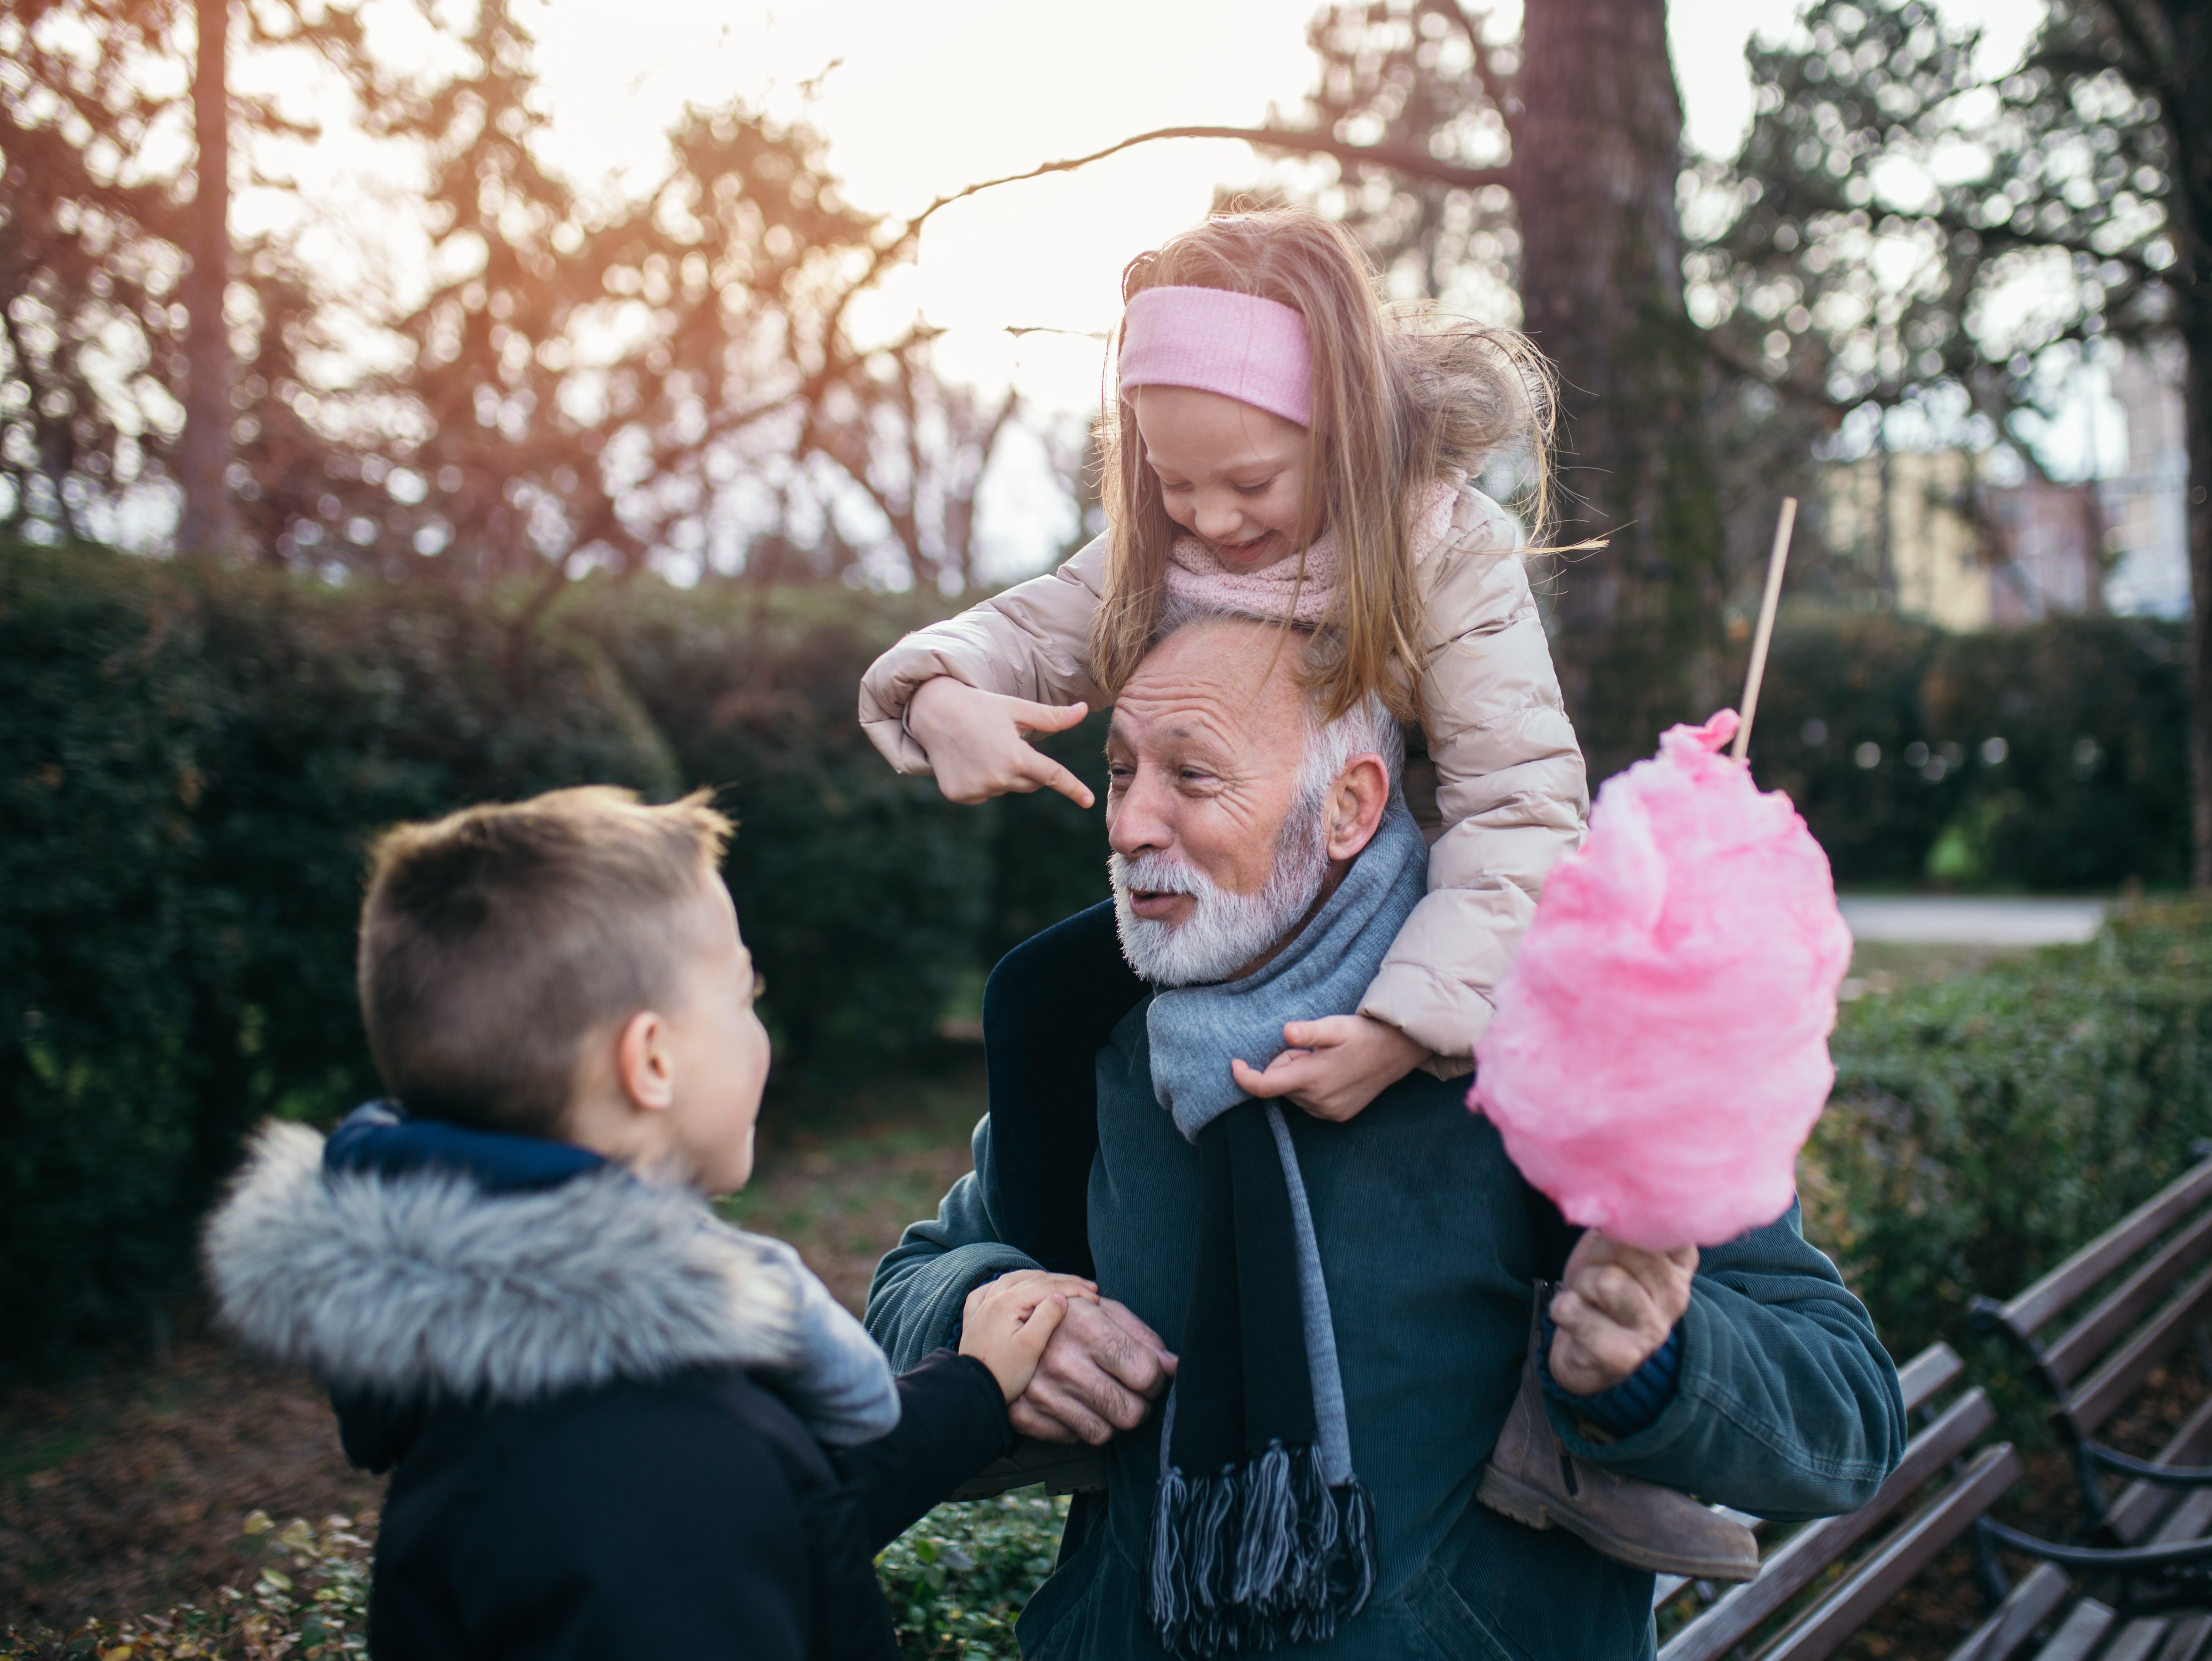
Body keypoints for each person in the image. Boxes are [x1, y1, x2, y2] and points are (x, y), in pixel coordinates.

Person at [866, 610, 1907, 1661]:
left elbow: (1851, 1419)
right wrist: (991, 1311)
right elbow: (913, 1287)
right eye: (1123, 769)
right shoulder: (1102, 1041)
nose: (1130, 823)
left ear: (1350, 807)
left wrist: (1663, 1362)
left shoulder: (1570, 1040)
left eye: (1192, 776)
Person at [204, 786, 1076, 1661]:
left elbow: (774, 1519)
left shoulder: (530, 1367)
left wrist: (970, 1392)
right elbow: (702, 1518)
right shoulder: (642, 1452)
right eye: (744, 992)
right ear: (652, 1060)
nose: (761, 1032)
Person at [857, 207, 1585, 1134]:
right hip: (1231, 905)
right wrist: (939, 695)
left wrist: (1407, 1026)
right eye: (1175, 481)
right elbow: (1018, 636)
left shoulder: (1442, 547)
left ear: (1343, 432)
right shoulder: (1157, 549)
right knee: (1038, 1000)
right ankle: (1041, 1209)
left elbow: (1518, 803)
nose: (1212, 520)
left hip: (1403, 928)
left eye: (1251, 484)